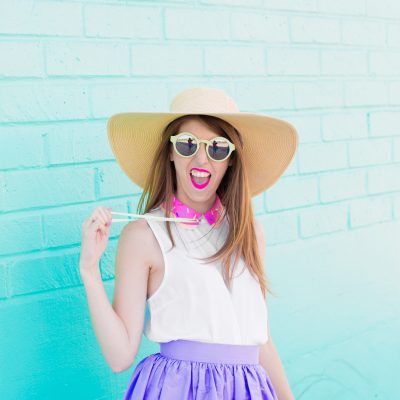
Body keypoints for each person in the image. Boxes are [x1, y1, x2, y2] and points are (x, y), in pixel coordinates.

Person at [79, 87, 298, 399]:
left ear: (231, 160)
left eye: (218, 148)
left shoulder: (250, 234)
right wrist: (89, 270)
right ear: (169, 151)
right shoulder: (144, 235)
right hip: (179, 389)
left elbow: (259, 338)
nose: (201, 158)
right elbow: (119, 357)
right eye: (187, 144)